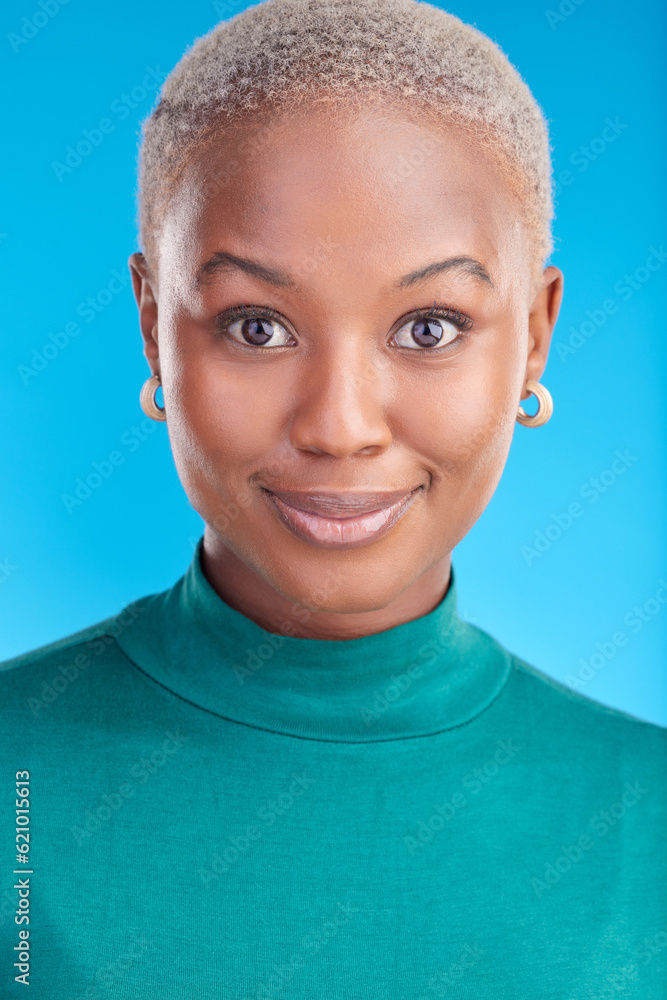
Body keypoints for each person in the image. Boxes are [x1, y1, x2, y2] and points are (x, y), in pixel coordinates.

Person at [1, 0, 665, 996]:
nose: (339, 424)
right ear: (152, 327)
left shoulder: (645, 814)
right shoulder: (19, 781)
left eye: (430, 326)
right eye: (257, 326)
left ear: (532, 335)